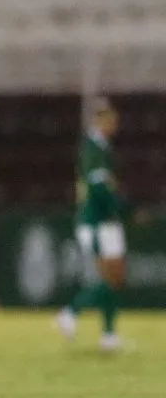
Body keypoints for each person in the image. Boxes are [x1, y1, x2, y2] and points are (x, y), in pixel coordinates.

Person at [56, 97, 139, 351]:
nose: (114, 123)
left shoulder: (101, 147)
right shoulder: (91, 148)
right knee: (109, 277)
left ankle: (108, 335)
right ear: (98, 120)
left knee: (114, 277)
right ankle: (71, 313)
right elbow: (99, 188)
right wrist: (124, 209)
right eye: (108, 118)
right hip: (96, 222)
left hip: (105, 222)